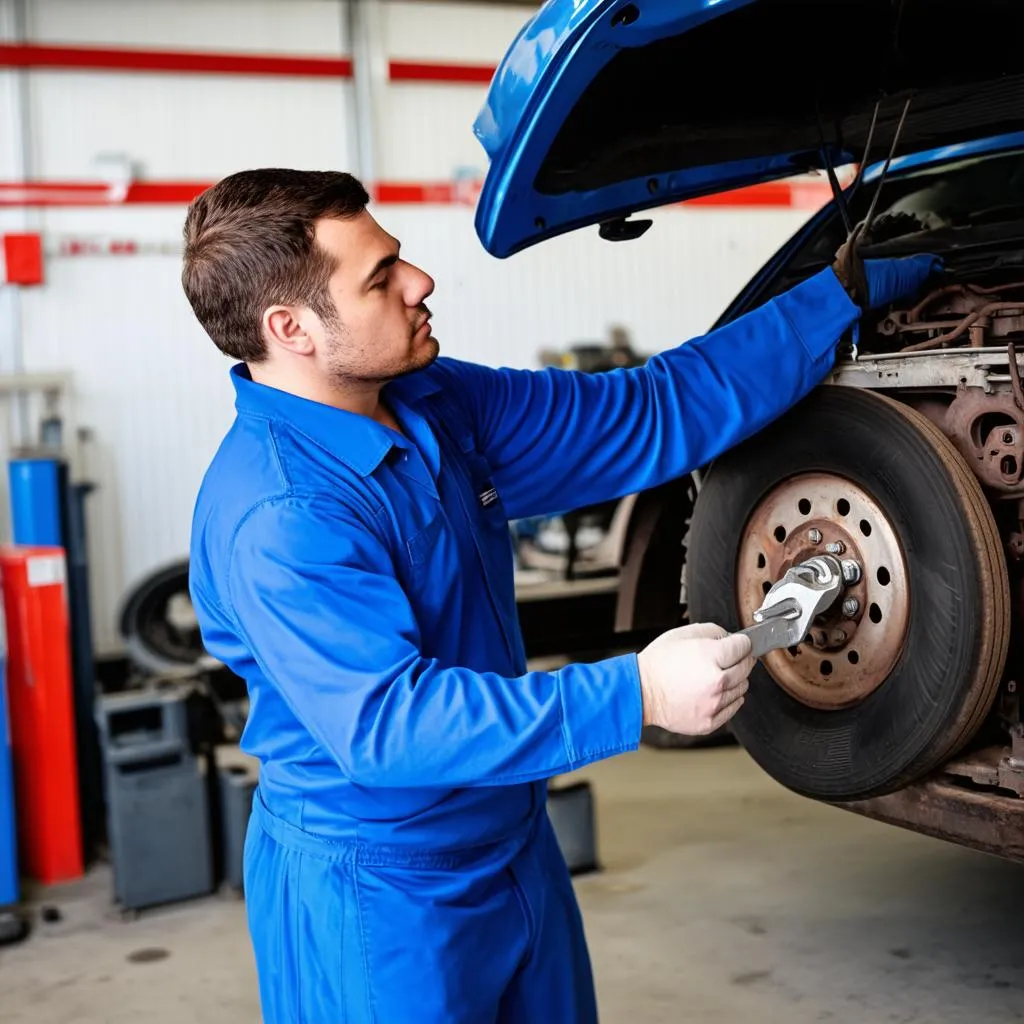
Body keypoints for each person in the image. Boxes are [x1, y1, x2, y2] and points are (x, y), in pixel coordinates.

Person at [181, 168, 940, 1024]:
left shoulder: (434, 400)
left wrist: (847, 294)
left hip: (510, 838)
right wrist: (638, 692)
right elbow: (388, 727)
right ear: (291, 330)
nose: (419, 281)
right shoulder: (282, 513)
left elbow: (652, 410)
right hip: (378, 893)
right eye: (380, 276)